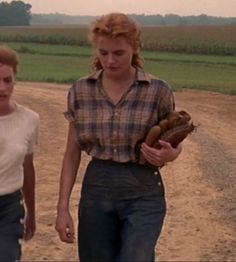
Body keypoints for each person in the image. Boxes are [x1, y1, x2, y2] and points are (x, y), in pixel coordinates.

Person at [55, 13, 182, 262]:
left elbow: (174, 143)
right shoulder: (81, 90)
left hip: (144, 190)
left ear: (134, 48)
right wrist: (62, 208)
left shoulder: (158, 91)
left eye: (119, 53)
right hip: (97, 191)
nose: (110, 61)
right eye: (103, 53)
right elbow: (72, 152)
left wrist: (170, 154)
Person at [0, 46, 39, 261]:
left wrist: (31, 213)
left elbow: (28, 168)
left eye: (8, 80)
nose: (2, 88)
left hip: (9, 208)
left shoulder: (29, 120)